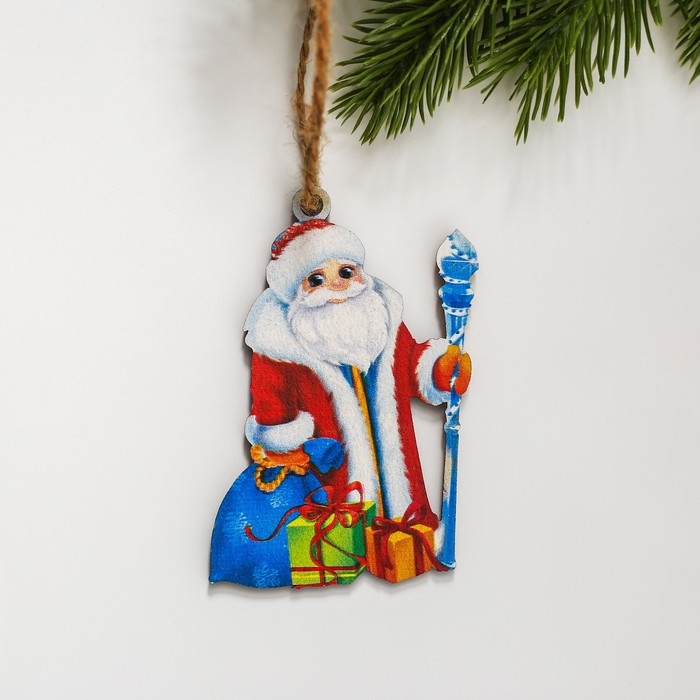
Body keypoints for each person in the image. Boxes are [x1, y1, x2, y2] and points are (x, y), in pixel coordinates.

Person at [243, 218, 471, 529]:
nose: (336, 285)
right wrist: (287, 443)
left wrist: (440, 370)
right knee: (341, 533)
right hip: (332, 478)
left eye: (346, 272)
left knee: (406, 527)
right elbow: (272, 406)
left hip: (400, 488)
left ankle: (404, 538)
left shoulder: (380, 319)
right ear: (296, 290)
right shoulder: (281, 346)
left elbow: (409, 363)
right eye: (316, 279)